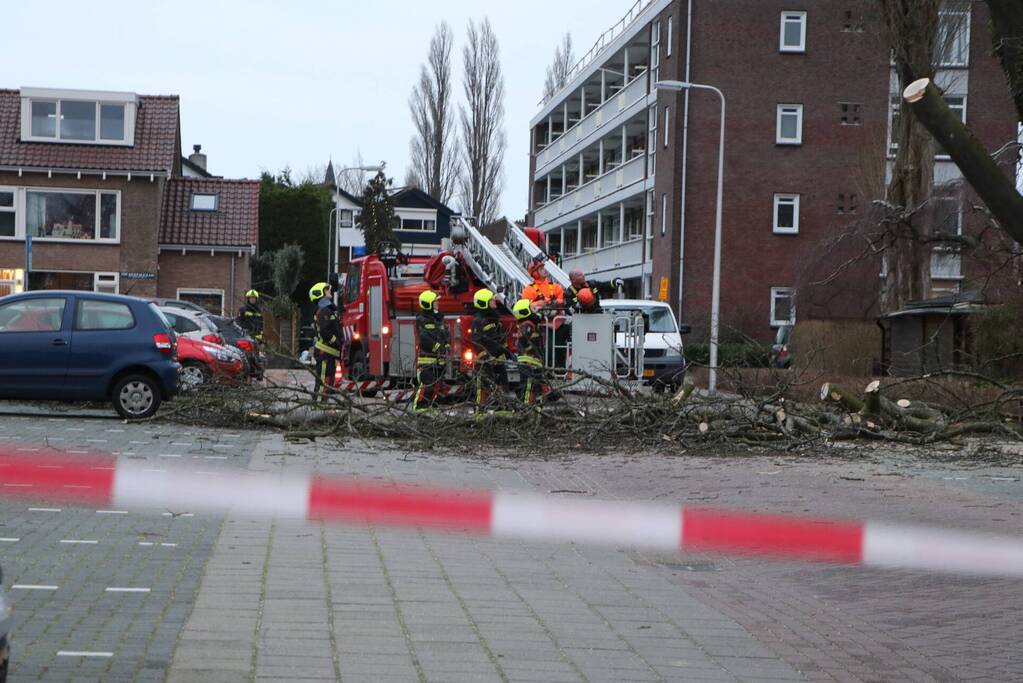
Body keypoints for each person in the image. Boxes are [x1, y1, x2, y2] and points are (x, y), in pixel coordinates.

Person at [470, 288, 510, 415]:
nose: (495, 302)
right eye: (492, 300)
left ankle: (503, 408)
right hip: (485, 362)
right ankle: (479, 411)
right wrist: (486, 357)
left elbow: (499, 340)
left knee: (503, 383)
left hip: (498, 360)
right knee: (482, 386)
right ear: (484, 303)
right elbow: (478, 343)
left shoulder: (494, 320)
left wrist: (505, 352)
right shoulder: (479, 321)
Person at [413, 290, 450, 413]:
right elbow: (424, 338)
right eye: (435, 302)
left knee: (437, 385)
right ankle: (419, 407)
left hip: (440, 360)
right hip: (427, 360)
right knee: (427, 384)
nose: (438, 303)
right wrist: (437, 346)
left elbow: (445, 333)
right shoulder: (421, 319)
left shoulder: (439, 319)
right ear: (428, 304)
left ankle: (429, 407)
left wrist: (447, 345)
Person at [512, 298, 548, 409]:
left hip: (533, 361)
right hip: (529, 362)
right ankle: (526, 408)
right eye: (531, 309)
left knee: (536, 386)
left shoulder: (530, 324)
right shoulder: (527, 325)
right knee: (529, 385)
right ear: (525, 311)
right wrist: (531, 353)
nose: (534, 311)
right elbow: (523, 341)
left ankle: (534, 407)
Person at [310, 282, 343, 399]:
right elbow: (324, 331)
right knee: (323, 381)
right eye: (327, 290)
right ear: (321, 293)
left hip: (328, 353)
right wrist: (336, 342)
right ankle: (318, 408)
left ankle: (322, 406)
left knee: (328, 380)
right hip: (325, 353)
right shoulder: (324, 311)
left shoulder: (326, 310)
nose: (330, 291)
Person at [236, 289, 265, 379]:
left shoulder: (259, 311)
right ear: (248, 299)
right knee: (246, 356)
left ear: (256, 299)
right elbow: (238, 322)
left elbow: (261, 324)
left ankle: (258, 373)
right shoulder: (242, 310)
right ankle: (245, 374)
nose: (252, 300)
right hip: (245, 336)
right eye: (251, 298)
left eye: (254, 298)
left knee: (257, 356)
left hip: (256, 337)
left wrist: (260, 336)